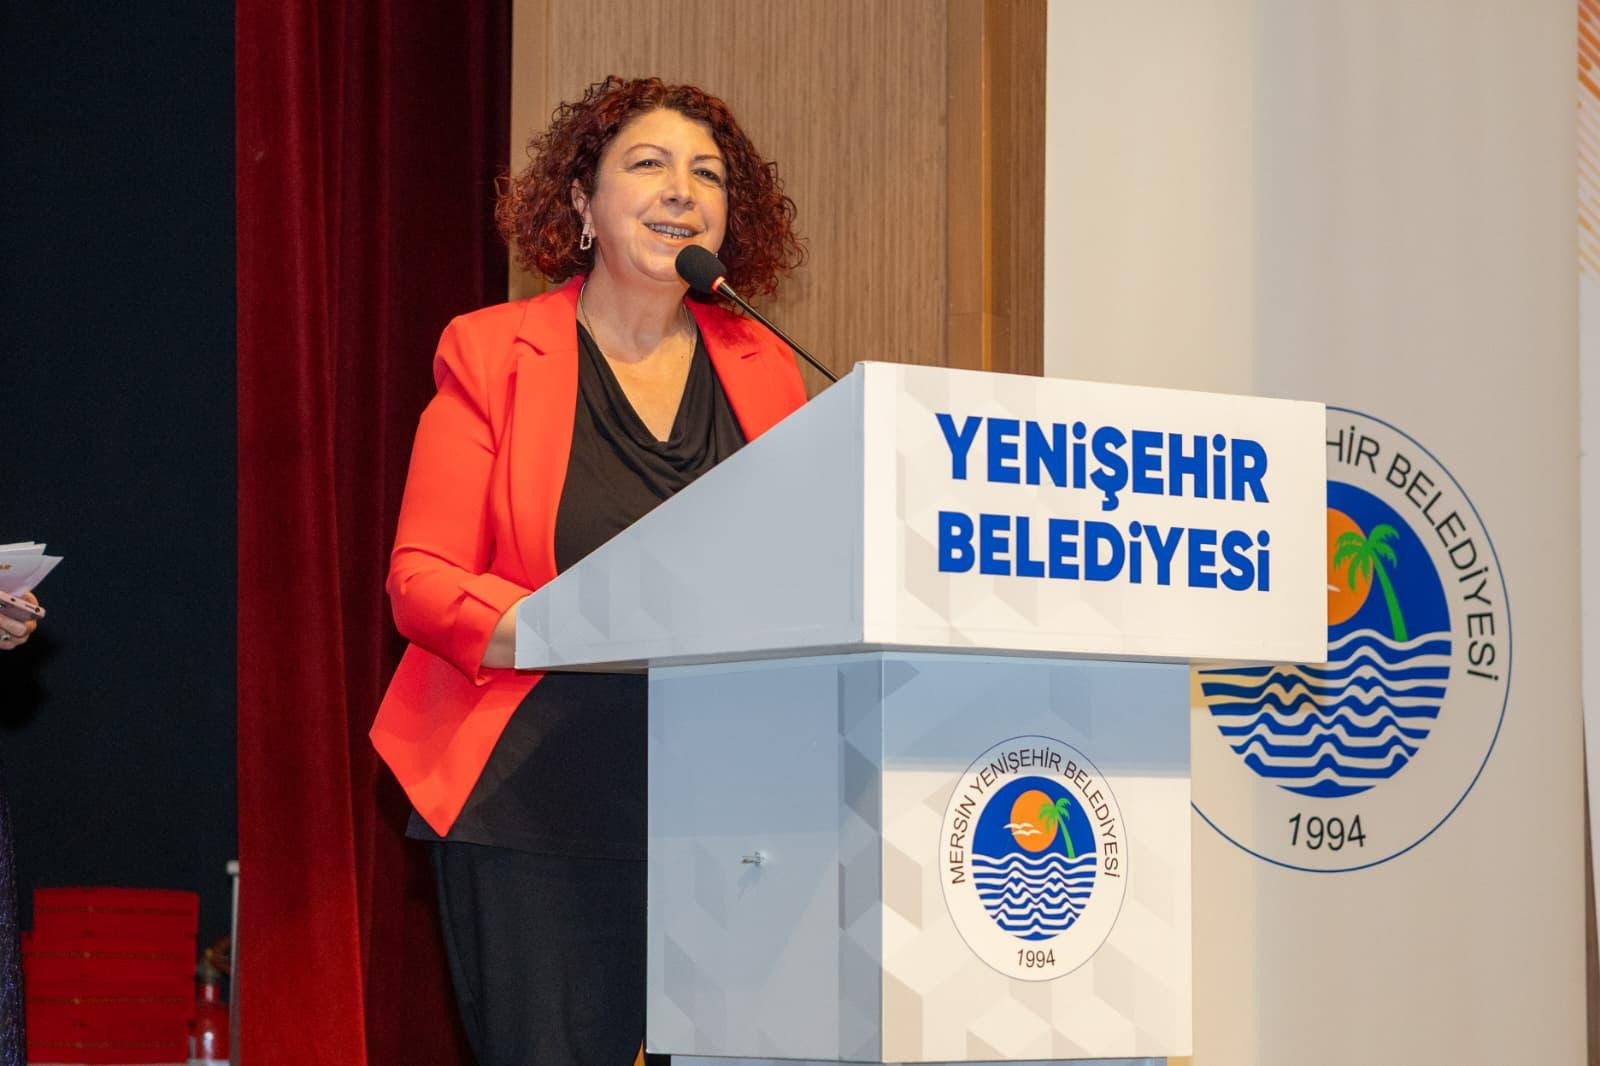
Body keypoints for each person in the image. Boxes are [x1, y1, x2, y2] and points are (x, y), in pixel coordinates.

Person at [369, 76, 807, 1065]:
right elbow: (422, 581)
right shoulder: (493, 352)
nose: (681, 190)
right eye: (648, 165)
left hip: (732, 803)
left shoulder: (766, 366)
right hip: (537, 801)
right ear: (582, 202)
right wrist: (585, 625)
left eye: (707, 175)